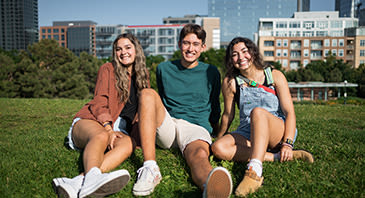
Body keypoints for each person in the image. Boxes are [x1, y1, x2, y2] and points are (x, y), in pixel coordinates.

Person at [131, 24, 232, 198]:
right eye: (186, 43)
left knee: (199, 155)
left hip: (195, 127)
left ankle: (209, 183)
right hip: (168, 126)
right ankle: (150, 168)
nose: (190, 48)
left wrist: (215, 130)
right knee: (147, 93)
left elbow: (214, 105)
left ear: (203, 47)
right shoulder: (163, 68)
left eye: (195, 44)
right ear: (179, 44)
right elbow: (159, 102)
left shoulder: (211, 71)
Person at [211, 37, 314, 197]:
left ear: (253, 52)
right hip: (247, 131)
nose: (241, 58)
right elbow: (227, 115)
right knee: (219, 148)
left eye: (245, 52)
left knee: (258, 112)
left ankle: (254, 171)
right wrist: (217, 137)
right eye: (235, 55)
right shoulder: (231, 82)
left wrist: (287, 144)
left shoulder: (274, 76)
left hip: (276, 130)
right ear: (231, 60)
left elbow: (290, 113)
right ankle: (275, 157)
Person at [52, 33, 150, 198]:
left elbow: (142, 110)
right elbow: (99, 101)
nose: (123, 52)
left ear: (136, 50)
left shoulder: (143, 74)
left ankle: (78, 181)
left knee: (129, 144)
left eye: (127, 48)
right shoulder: (108, 69)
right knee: (101, 136)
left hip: (121, 129)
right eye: (118, 49)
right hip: (93, 120)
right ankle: (91, 181)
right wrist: (108, 128)